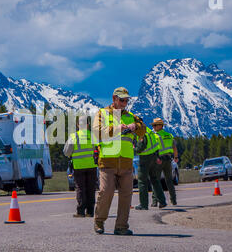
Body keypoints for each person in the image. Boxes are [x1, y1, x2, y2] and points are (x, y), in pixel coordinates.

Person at [92, 87, 145, 235]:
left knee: (126, 195)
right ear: (114, 98)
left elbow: (142, 130)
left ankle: (121, 226)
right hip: (108, 161)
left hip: (126, 162)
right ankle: (99, 222)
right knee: (106, 191)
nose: (124, 103)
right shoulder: (102, 113)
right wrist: (117, 128)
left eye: (127, 100)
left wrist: (136, 126)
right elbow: (97, 132)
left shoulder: (131, 116)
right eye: (122, 100)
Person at [63, 116, 97, 218]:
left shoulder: (74, 136)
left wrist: (71, 155)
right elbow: (98, 148)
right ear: (88, 124)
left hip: (79, 166)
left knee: (80, 188)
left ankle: (81, 211)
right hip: (92, 165)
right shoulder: (93, 136)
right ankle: (90, 211)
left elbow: (67, 152)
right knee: (91, 188)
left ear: (78, 125)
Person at [134, 126, 167, 210]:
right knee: (155, 180)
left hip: (145, 158)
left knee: (142, 181)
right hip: (154, 156)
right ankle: (162, 201)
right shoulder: (149, 131)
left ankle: (143, 204)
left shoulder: (141, 131)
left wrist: (134, 149)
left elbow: (141, 147)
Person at [151, 118, 178, 206]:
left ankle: (155, 202)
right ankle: (173, 200)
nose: (153, 127)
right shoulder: (169, 135)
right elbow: (174, 147)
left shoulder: (154, 136)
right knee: (169, 181)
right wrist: (176, 157)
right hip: (168, 159)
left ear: (160, 126)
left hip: (158, 160)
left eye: (155, 125)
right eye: (153, 125)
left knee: (156, 181)